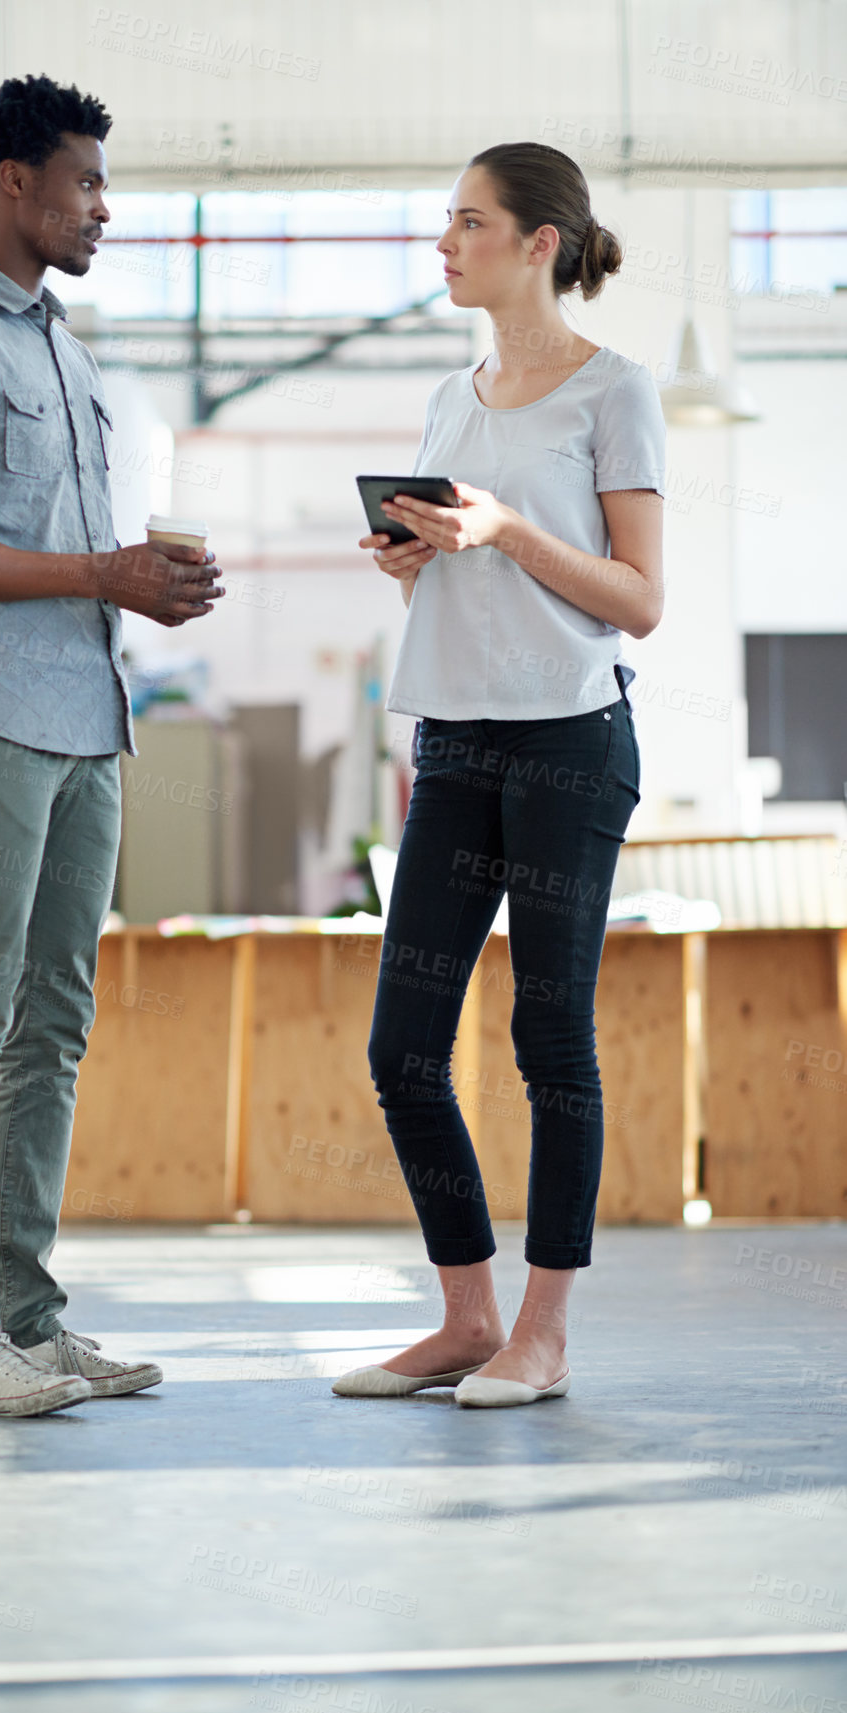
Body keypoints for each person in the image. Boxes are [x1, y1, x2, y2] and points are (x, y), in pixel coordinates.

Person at [0, 75, 224, 1416]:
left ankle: (28, 1315)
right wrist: (99, 572)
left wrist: (147, 586)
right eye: (84, 184)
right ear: (16, 185)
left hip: (84, 718)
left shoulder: (69, 355)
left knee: (50, 1026)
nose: (101, 209)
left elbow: (88, 564)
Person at [334, 141, 665, 1409]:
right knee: (403, 1046)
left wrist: (507, 530)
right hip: (454, 740)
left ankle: (547, 1332)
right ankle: (467, 1317)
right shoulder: (450, 397)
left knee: (548, 1035)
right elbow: (465, 557)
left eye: (469, 222)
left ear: (540, 243)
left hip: (569, 739)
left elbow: (640, 601)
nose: (445, 243)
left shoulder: (613, 393)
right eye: (444, 223)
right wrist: (418, 554)